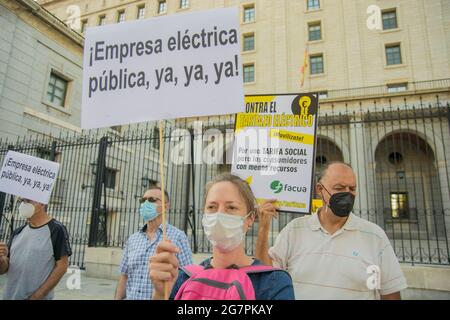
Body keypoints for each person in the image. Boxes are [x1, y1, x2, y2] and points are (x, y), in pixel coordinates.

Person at [256, 161, 408, 300]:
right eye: (339, 188)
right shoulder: (294, 230)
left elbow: (391, 294)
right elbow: (267, 276)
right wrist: (263, 229)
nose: (347, 194)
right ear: (320, 189)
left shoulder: (375, 236)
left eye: (352, 189)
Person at [149, 173, 295, 300]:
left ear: (250, 218)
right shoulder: (183, 277)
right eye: (212, 207)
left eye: (231, 207)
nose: (219, 215)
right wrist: (160, 295)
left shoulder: (273, 283)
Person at [115, 185, 193, 300]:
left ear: (166, 206)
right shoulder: (133, 239)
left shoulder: (178, 237)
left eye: (152, 200)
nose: (146, 203)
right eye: (143, 200)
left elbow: (188, 277)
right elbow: (124, 277)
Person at [0, 198, 72, 300]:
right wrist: (2, 259)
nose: (23, 205)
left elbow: (62, 267)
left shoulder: (56, 230)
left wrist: (38, 295)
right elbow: (4, 269)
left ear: (42, 203)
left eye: (28, 201)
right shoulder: (18, 232)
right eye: (22, 201)